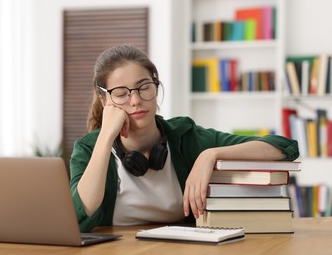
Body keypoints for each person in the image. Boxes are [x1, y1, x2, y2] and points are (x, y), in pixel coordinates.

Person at [69, 44, 299, 232]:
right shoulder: (89, 149)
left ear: (156, 89)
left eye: (144, 87)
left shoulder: (185, 136)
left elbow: (283, 147)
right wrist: (106, 136)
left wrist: (211, 154)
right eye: (121, 94)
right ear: (105, 100)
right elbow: (81, 218)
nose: (136, 100)